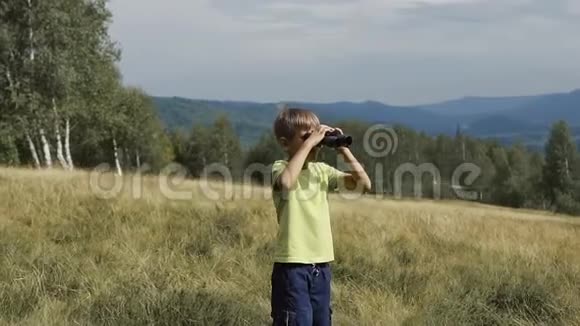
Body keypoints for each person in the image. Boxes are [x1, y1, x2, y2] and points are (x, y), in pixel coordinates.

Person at [270, 107, 372, 325]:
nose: (315, 141)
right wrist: (309, 144)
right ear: (284, 143)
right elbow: (287, 183)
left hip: (321, 267)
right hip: (292, 267)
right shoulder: (280, 168)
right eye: (306, 136)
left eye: (317, 135)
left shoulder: (322, 172)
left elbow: (364, 184)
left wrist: (343, 149)